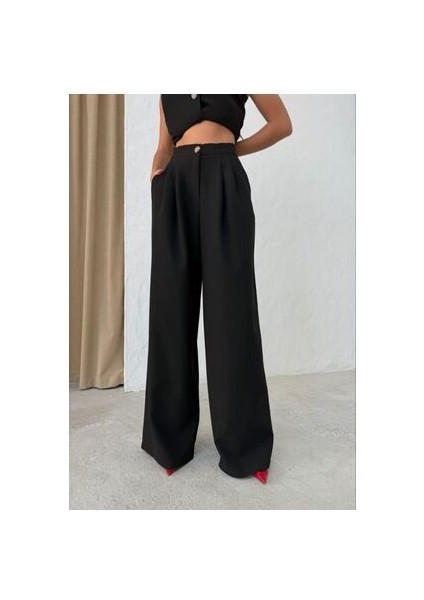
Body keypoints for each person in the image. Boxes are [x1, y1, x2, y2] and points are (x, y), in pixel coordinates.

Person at [141, 94, 293, 484]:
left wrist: (232, 151)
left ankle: (246, 446)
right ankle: (169, 443)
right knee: (171, 313)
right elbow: (164, 147)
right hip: (175, 187)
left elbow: (281, 124)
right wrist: (157, 178)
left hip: (224, 179)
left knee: (232, 315)